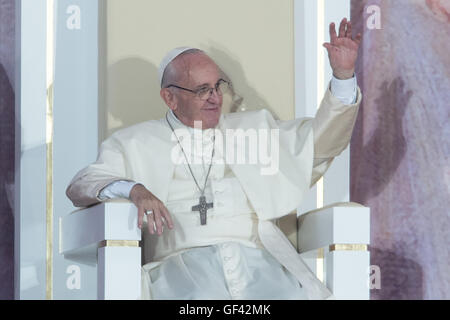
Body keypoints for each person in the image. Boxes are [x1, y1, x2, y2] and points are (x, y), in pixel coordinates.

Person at [66, 18, 362, 300]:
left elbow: (319, 143)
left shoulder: (254, 128)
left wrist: (343, 77)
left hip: (261, 266)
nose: (215, 98)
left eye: (217, 86)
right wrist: (134, 190)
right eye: (202, 90)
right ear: (170, 98)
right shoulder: (133, 142)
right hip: (179, 269)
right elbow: (83, 184)